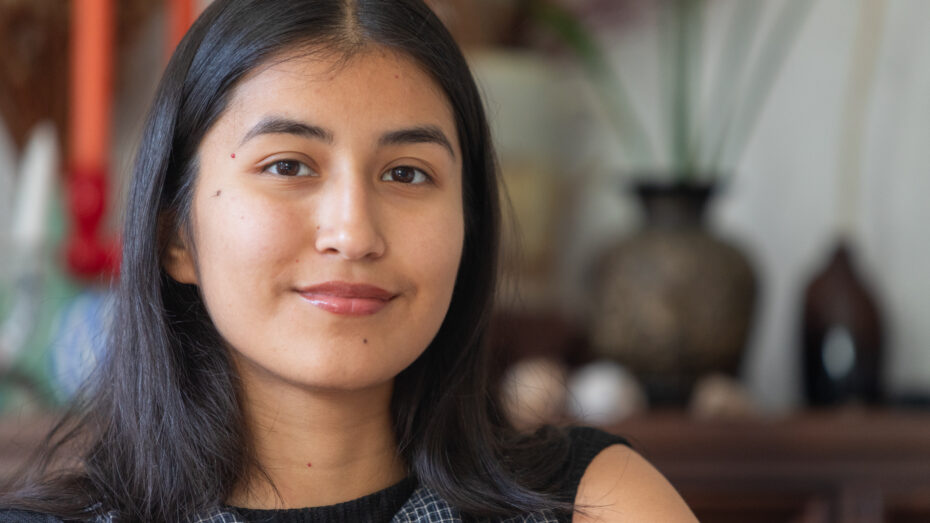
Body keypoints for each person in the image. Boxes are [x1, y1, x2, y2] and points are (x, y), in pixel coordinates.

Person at [0, 1, 697, 521]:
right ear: (174, 236)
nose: (353, 232)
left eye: (407, 174)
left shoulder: (596, 504)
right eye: (288, 164)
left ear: (469, 229)